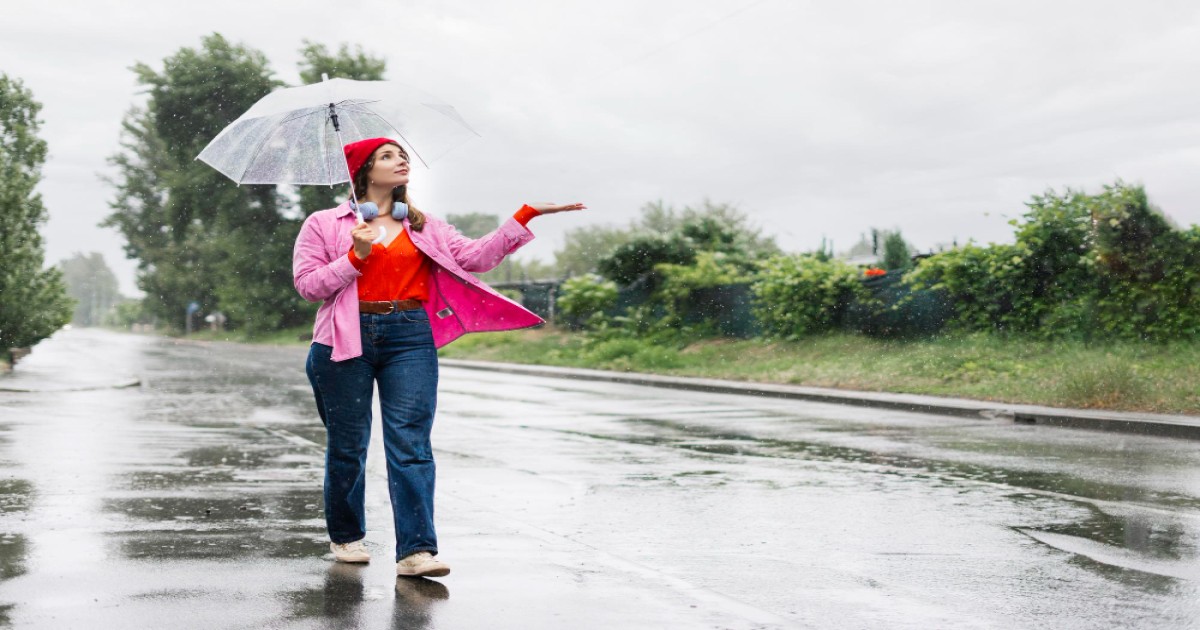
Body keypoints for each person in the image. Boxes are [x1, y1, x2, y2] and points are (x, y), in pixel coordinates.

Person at [293, 137, 584, 578]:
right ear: (366, 171)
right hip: (342, 340)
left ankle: (416, 551)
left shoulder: (424, 224)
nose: (401, 160)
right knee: (349, 447)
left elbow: (476, 259)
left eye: (402, 154)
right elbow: (309, 286)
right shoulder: (324, 223)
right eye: (388, 156)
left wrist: (524, 216)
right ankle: (347, 537)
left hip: (409, 337)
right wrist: (356, 255)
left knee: (410, 443)